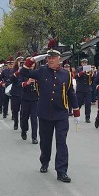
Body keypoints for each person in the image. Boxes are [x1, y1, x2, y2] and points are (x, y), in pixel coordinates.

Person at [20, 40, 79, 183]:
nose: (51, 60)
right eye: (49, 58)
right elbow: (23, 72)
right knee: (45, 142)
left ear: (59, 59)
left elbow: (71, 93)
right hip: (45, 113)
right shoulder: (41, 71)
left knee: (61, 142)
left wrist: (76, 110)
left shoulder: (66, 74)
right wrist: (32, 60)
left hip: (61, 113)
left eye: (53, 58)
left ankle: (62, 171)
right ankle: (44, 161)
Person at [19, 61, 39, 143]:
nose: (32, 65)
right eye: (31, 63)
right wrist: (26, 83)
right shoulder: (23, 73)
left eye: (34, 64)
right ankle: (24, 130)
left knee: (34, 118)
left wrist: (37, 82)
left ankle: (34, 137)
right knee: (24, 117)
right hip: (25, 98)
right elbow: (18, 83)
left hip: (35, 99)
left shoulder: (37, 73)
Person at [75, 58, 93, 124]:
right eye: (83, 63)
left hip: (88, 89)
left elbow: (93, 79)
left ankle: (87, 117)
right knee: (78, 104)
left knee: (88, 104)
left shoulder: (89, 69)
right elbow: (76, 76)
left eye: (85, 63)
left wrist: (92, 73)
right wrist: (83, 72)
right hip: (80, 89)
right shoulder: (78, 69)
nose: (84, 64)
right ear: (81, 63)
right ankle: (76, 115)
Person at [9, 57, 24, 130]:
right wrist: (18, 71)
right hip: (15, 92)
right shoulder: (13, 70)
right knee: (15, 109)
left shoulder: (25, 71)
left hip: (23, 92)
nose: (21, 62)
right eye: (19, 61)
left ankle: (21, 123)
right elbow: (11, 78)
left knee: (23, 110)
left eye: (22, 61)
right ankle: (15, 122)